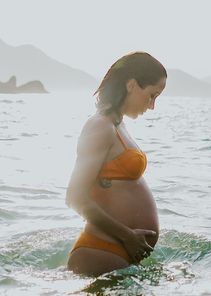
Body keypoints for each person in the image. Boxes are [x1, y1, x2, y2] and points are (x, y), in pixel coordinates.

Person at [65, 52, 167, 277]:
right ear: (131, 85)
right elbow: (74, 197)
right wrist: (127, 236)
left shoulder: (117, 125)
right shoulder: (100, 126)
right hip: (100, 251)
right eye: (152, 95)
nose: (152, 106)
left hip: (117, 252)